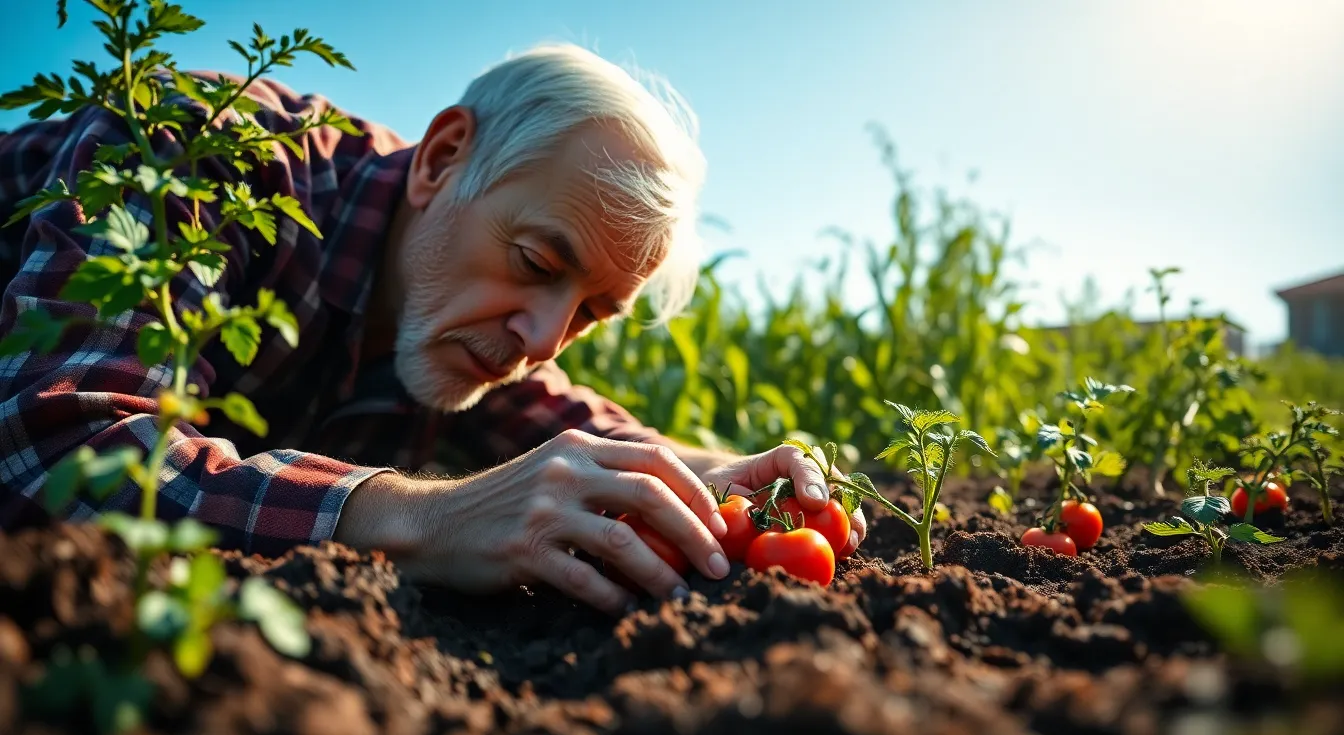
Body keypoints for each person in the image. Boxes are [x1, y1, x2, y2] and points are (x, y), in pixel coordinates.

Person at [0, 44, 866, 615]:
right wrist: (428, 518)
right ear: (444, 158)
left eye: (592, 312)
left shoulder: (464, 311)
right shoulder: (200, 157)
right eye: (533, 262)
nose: (540, 339)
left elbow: (557, 421)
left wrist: (707, 478)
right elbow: (60, 439)